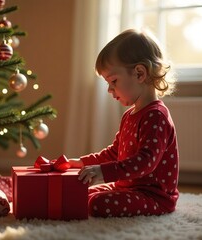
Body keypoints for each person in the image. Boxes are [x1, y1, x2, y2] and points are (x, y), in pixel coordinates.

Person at [69, 29, 179, 218]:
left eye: (113, 81)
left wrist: (103, 172)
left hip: (153, 196)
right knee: (79, 193)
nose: (110, 89)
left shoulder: (156, 116)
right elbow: (115, 153)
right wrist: (81, 162)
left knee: (97, 203)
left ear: (139, 73)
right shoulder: (130, 115)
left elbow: (146, 162)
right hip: (127, 187)